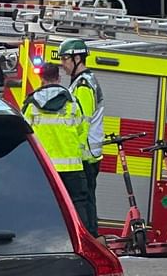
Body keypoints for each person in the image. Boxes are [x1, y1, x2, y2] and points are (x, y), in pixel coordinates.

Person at [21, 63, 90, 232]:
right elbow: (83, 130)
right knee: (78, 204)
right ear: (58, 78)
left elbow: (24, 133)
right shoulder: (72, 102)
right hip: (72, 166)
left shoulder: (31, 104)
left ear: (41, 79)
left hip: (44, 168)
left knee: (42, 205)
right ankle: (83, 239)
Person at [58, 38, 104, 239]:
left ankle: (91, 239)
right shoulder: (80, 82)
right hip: (86, 154)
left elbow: (81, 122)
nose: (63, 63)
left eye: (65, 58)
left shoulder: (84, 85)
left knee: (86, 203)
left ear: (78, 58)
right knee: (86, 201)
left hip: (85, 155)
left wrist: (72, 151)